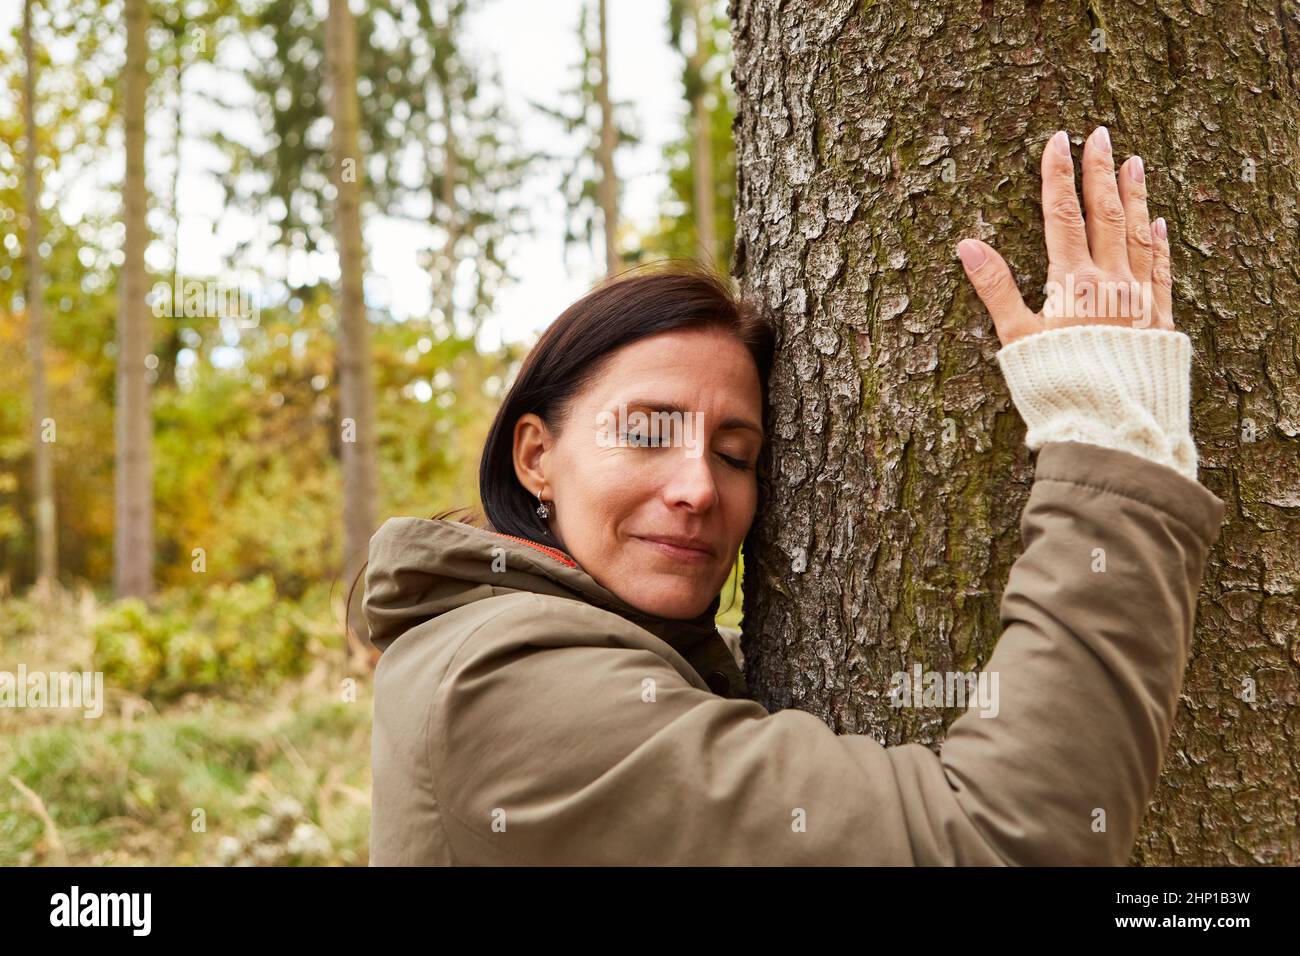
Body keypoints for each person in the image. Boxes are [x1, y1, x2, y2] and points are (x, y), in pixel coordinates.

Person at [364, 126, 1225, 865]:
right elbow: (995, 844)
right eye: (648, 431)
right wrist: (1115, 438)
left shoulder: (555, 650)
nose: (699, 487)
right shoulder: (501, 689)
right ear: (535, 457)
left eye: (736, 455)